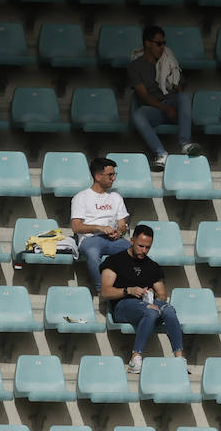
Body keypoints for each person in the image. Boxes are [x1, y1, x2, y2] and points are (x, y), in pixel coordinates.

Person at [100, 224, 184, 375]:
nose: (144, 251)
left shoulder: (152, 266)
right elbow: (105, 292)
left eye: (147, 247)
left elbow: (162, 295)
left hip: (146, 304)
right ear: (131, 241)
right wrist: (128, 290)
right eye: (141, 246)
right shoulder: (115, 261)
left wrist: (151, 293)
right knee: (151, 311)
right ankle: (135, 358)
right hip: (123, 306)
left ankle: (179, 359)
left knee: (169, 310)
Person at [129, 24, 202, 172]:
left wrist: (174, 106)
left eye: (164, 43)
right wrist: (165, 108)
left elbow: (179, 87)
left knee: (183, 98)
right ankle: (161, 154)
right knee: (138, 114)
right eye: (158, 43)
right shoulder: (136, 66)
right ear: (147, 43)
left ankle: (185, 144)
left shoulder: (169, 61)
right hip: (156, 109)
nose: (162, 47)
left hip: (172, 105)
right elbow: (143, 96)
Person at [71, 157, 130, 295]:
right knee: (92, 252)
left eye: (114, 174)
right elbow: (76, 226)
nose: (113, 178)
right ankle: (102, 291)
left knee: (133, 250)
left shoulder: (116, 197)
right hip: (90, 239)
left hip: (113, 239)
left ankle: (129, 288)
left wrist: (119, 232)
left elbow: (122, 225)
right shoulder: (82, 197)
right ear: (98, 176)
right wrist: (98, 228)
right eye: (110, 175)